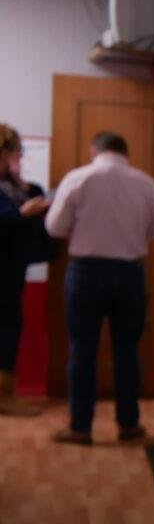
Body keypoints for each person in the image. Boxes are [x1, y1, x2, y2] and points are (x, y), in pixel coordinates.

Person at [44, 131, 154, 444]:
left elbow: (54, 227)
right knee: (127, 351)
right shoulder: (146, 183)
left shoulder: (78, 178)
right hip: (130, 273)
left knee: (82, 350)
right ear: (125, 152)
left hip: (85, 273)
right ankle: (129, 425)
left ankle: (80, 427)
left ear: (95, 150)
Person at [0, 125, 51, 416]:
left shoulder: (11, 186)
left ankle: (5, 393)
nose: (17, 158)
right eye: (13, 152)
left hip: (12, 271)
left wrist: (22, 184)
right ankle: (3, 397)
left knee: (10, 327)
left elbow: (37, 197)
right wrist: (21, 215)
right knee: (7, 328)